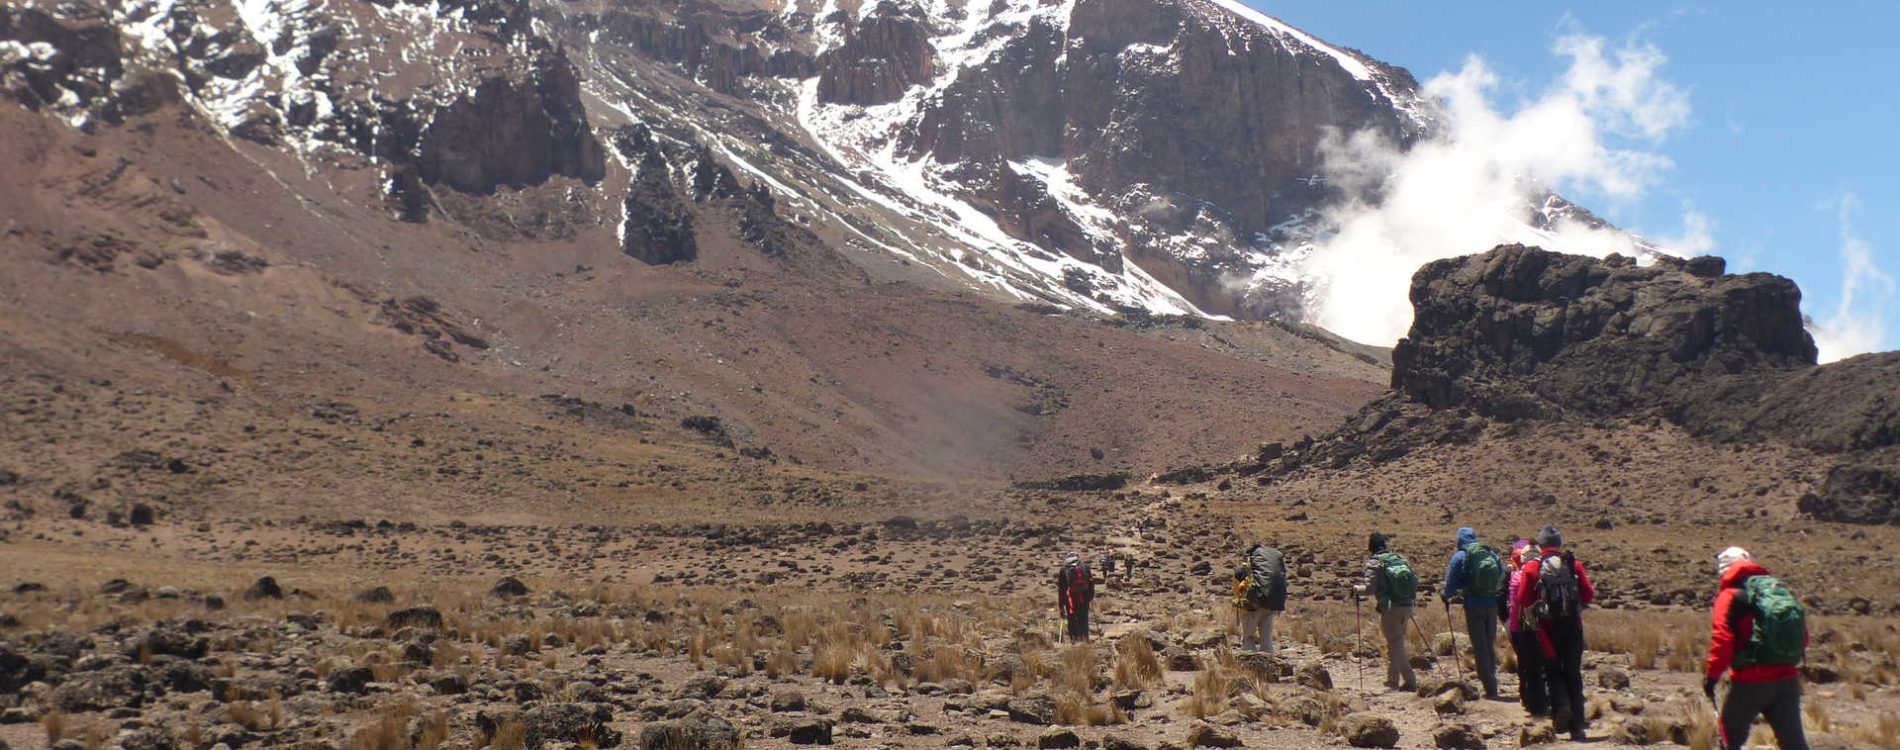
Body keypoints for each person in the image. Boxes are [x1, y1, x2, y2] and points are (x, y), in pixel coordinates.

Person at [1705, 547, 1810, 750]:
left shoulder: (1729, 596)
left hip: (1751, 682)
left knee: (1729, 741)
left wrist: (1712, 677)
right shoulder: (1777, 591)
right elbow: (1803, 638)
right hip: (1787, 680)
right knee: (1794, 744)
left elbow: (1722, 639)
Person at [1513, 526, 1595, 741]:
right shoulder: (1573, 565)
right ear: (1559, 544)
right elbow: (1588, 593)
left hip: (1546, 630)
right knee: (1573, 673)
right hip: (1573, 627)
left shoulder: (1532, 567)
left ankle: (1561, 707)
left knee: (1552, 670)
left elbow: (1523, 598)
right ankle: (1577, 726)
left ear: (1540, 545)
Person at [1441, 527, 1504, 699]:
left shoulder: (1460, 556)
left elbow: (1450, 585)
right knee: (1489, 644)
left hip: (1474, 605)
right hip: (1492, 604)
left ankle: (1491, 688)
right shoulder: (1490, 553)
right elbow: (1501, 574)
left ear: (1459, 540)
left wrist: (1445, 595)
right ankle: (1493, 680)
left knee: (1480, 646)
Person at [1354, 532, 1418, 691]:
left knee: (1396, 645)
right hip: (1407, 605)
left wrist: (1356, 589)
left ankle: (1410, 680)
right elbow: (1415, 580)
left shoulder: (1375, 563)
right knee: (1396, 642)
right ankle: (1392, 679)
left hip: (1391, 609)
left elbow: (1369, 589)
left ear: (1371, 547)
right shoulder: (1400, 559)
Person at [1505, 539, 1550, 717]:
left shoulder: (1518, 576)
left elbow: (1516, 604)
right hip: (1545, 626)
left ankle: (1530, 701)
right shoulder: (1545, 574)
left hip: (1522, 626)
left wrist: (1512, 626)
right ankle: (1546, 701)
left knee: (1526, 666)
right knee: (1544, 664)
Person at [1233, 543, 1288, 653]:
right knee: (1266, 639)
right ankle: (1268, 663)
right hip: (1269, 604)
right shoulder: (1264, 570)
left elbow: (1238, 578)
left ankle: (1249, 665)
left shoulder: (1248, 569)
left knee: (1248, 638)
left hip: (1252, 606)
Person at [1056, 551, 1095, 642]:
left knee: (1072, 618)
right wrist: (1090, 597)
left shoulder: (1064, 569)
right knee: (1084, 618)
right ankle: (1085, 639)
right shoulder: (1085, 567)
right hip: (1084, 597)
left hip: (1071, 600)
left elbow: (1061, 590)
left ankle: (1074, 640)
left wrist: (1061, 607)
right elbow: (1091, 583)